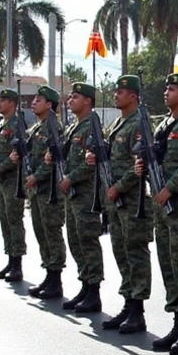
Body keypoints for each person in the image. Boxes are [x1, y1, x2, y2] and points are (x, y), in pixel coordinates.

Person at [136, 73, 178, 355]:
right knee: (168, 264)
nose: (166, 92)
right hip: (162, 208)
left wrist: (170, 189)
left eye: (171, 89)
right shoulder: (164, 124)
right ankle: (176, 323)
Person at [98, 75, 153, 334]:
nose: (116, 95)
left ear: (134, 96)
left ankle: (138, 310)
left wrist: (118, 187)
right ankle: (128, 302)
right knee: (121, 251)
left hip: (133, 199)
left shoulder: (138, 123)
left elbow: (139, 166)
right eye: (116, 91)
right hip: (116, 200)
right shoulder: (118, 124)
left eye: (121, 91)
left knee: (135, 253)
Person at [53, 82, 105, 312]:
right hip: (73, 195)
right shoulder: (75, 127)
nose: (69, 100)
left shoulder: (91, 126)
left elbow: (91, 163)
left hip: (86, 194)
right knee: (75, 241)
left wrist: (70, 178)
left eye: (75, 97)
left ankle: (94, 291)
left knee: (88, 241)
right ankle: (85, 285)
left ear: (87, 101)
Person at [18, 85, 68, 300]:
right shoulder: (37, 127)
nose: (34, 101)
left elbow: (52, 159)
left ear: (49, 105)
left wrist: (36, 177)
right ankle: (49, 273)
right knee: (41, 232)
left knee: (51, 232)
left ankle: (56, 279)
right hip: (37, 191)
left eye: (39, 99)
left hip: (50, 191)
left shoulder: (52, 127)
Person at [0, 89, 27, 282]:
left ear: (11, 103)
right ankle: (10, 259)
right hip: (1, 180)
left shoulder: (17, 124)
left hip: (13, 179)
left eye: (2, 100)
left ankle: (17, 264)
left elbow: (17, 153)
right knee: (4, 220)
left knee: (14, 220)